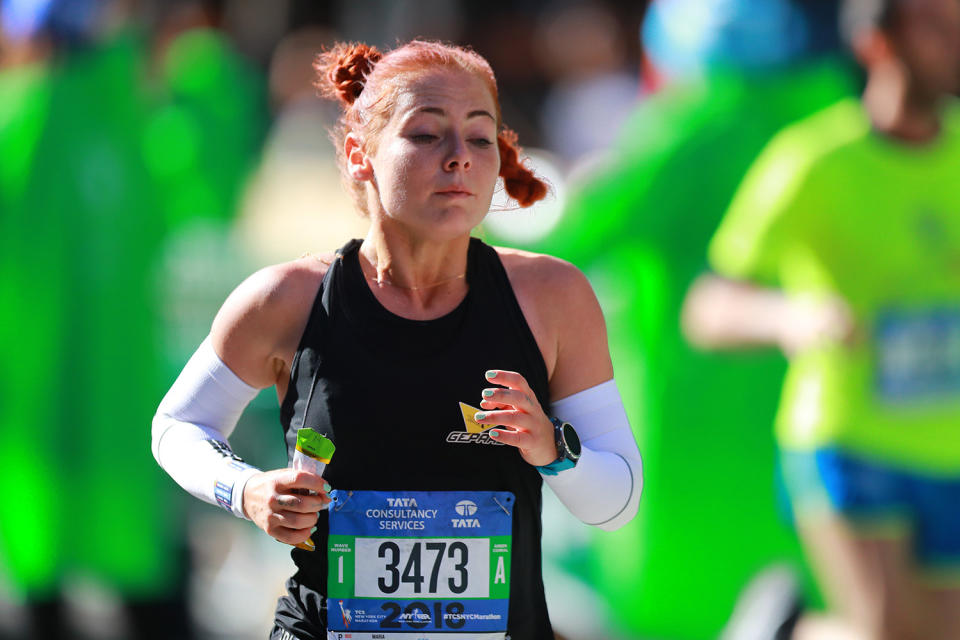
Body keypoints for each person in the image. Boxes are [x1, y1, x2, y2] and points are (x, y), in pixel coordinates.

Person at [152, 40, 642, 640]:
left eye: (480, 137)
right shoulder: (285, 300)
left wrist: (552, 450)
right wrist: (247, 489)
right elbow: (177, 427)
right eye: (427, 135)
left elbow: (616, 502)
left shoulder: (551, 297)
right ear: (362, 155)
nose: (459, 157)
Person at [683, 0, 960, 638]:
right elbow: (709, 306)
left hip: (947, 446)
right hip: (846, 437)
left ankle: (789, 630)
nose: (952, 43)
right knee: (890, 631)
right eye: (933, 28)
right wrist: (790, 316)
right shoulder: (812, 161)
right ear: (876, 44)